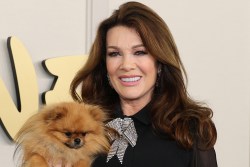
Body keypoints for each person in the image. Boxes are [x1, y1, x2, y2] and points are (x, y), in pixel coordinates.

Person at [70, 1, 217, 167]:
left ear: (159, 62)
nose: (126, 65)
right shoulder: (84, 130)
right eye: (114, 53)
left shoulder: (189, 129)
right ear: (104, 64)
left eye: (139, 52)